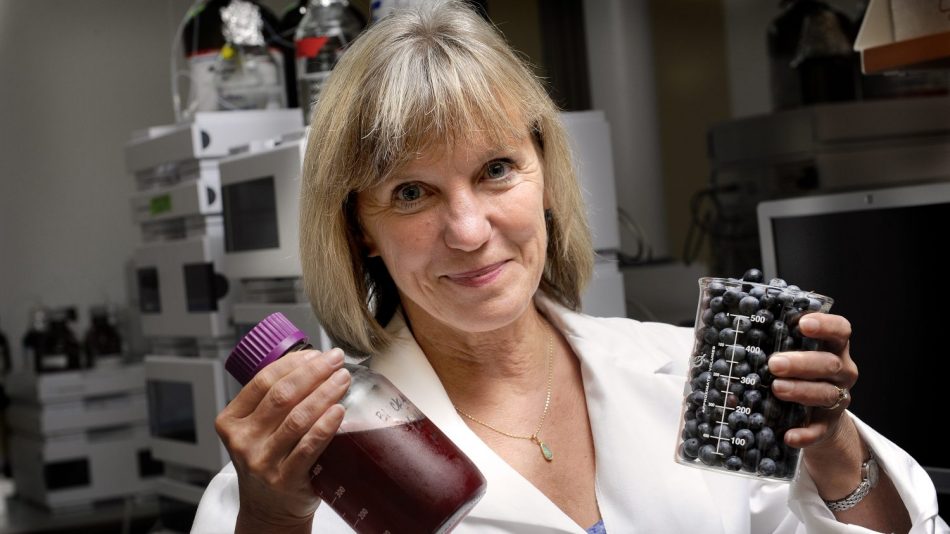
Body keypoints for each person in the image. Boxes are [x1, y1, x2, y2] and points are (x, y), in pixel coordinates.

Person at [192, 1, 948, 532]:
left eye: (495, 170)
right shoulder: (313, 462)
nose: (468, 228)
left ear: (546, 176)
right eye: (412, 192)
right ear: (358, 227)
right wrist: (268, 520)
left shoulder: (692, 374)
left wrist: (836, 446)